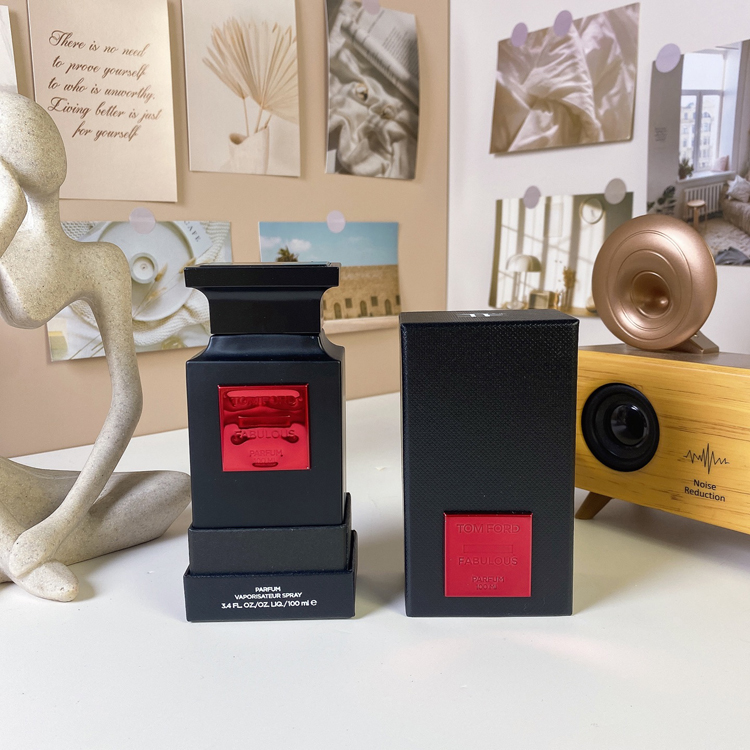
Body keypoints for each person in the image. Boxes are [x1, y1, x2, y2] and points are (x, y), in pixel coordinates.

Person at [0, 92, 188, 601]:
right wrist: (7, 209)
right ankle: (18, 553)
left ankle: (24, 551)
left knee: (175, 486)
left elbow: (128, 402)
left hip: (33, 495)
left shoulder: (100, 262)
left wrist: (59, 524)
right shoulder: (3, 252)